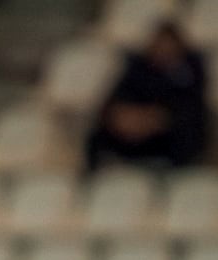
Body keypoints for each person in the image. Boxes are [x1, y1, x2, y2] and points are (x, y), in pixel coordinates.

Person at [82, 20, 209, 172]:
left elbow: (191, 107)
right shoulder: (138, 68)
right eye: (160, 44)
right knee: (97, 136)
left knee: (186, 132)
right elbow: (114, 102)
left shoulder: (191, 70)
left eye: (168, 45)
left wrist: (158, 119)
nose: (163, 50)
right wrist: (125, 117)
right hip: (135, 133)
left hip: (168, 134)